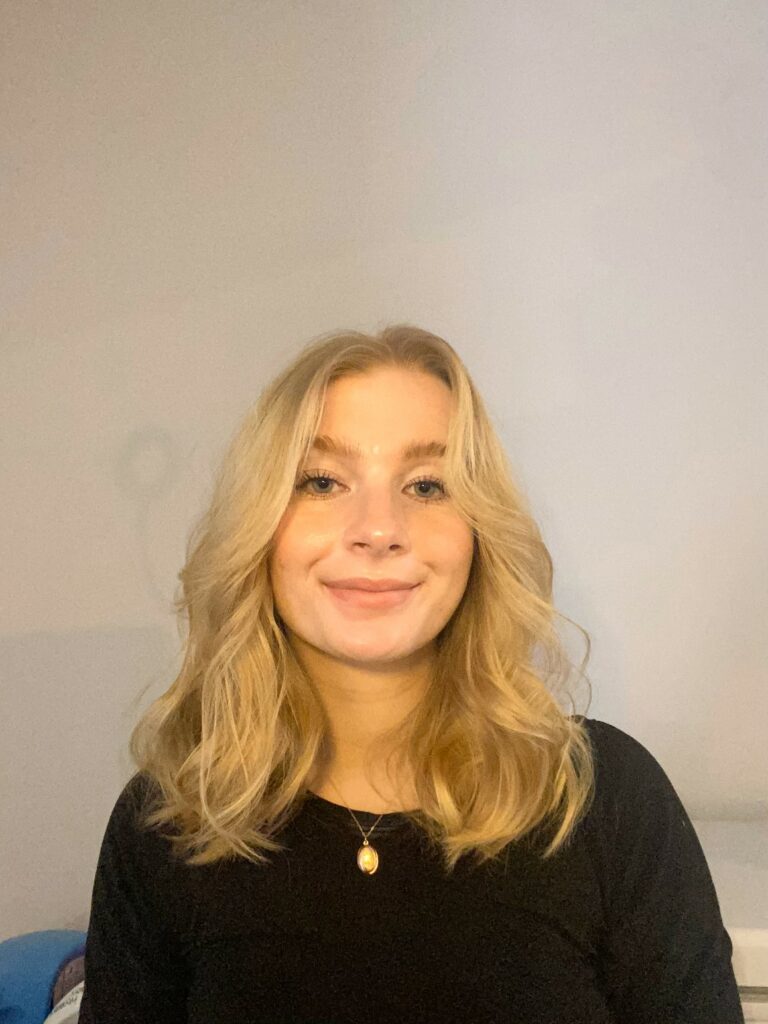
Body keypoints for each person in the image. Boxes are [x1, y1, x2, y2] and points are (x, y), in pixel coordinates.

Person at [78, 324, 743, 1023]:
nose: (378, 528)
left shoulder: (605, 799)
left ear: (479, 535)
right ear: (260, 529)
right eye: (322, 481)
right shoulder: (167, 823)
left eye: (427, 485)